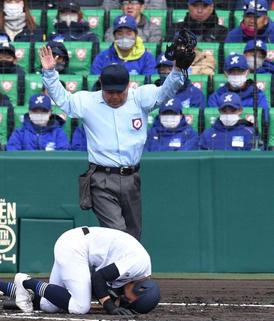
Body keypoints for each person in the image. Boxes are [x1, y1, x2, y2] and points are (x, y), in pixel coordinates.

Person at [40, 31, 192, 239]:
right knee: (117, 234)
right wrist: (49, 73)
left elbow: (166, 91)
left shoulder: (140, 98)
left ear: (128, 86)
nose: (114, 96)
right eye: (109, 91)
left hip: (131, 177)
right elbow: (63, 100)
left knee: (133, 236)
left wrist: (178, 69)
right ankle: (107, 272)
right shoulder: (88, 102)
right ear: (101, 87)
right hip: (101, 179)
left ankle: (125, 273)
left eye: (119, 91)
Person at [0, 226, 161, 316]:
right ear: (140, 287)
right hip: (76, 247)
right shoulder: (138, 263)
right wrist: (110, 307)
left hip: (76, 245)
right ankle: (25, 281)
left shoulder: (139, 275)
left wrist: (109, 302)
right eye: (129, 299)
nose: (125, 300)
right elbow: (98, 279)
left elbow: (100, 288)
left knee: (49, 305)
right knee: (80, 306)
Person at [208, 54, 269, 123]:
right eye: (231, 71)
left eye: (240, 71)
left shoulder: (258, 96)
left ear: (247, 72)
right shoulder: (216, 97)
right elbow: (214, 120)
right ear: (225, 73)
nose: (236, 74)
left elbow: (264, 121)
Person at [91, 14, 156, 76]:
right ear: (114, 36)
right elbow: (96, 82)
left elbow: (149, 84)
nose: (124, 37)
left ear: (136, 35)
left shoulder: (147, 58)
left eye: (129, 33)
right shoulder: (103, 57)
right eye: (120, 33)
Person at [102, 0, 167, 10]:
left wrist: (136, 6)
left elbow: (157, 9)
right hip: (121, 22)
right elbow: (107, 8)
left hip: (146, 24)